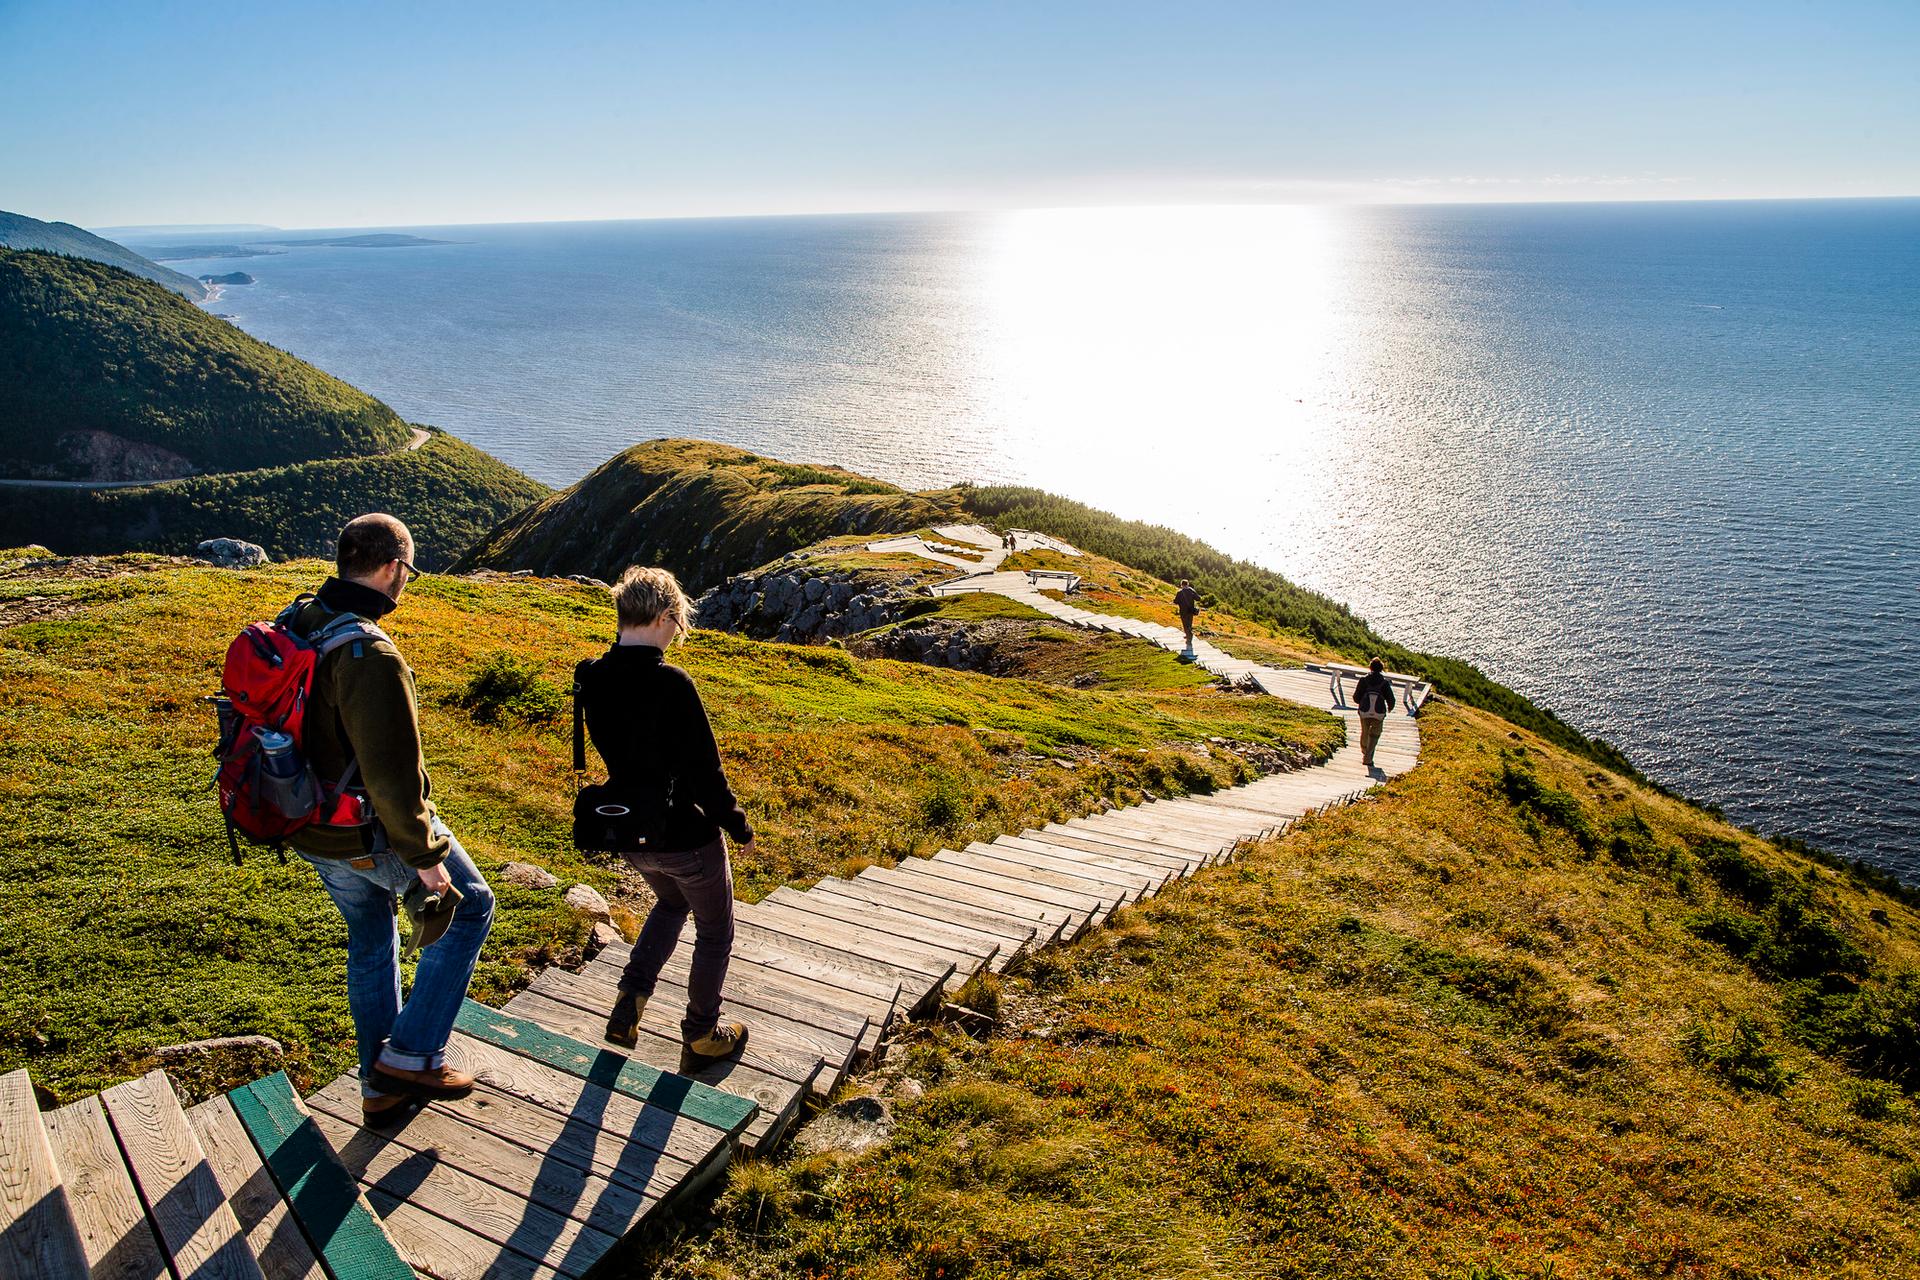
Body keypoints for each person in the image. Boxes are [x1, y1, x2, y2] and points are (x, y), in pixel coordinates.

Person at [286, 514, 495, 1126]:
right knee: (471, 907)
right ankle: (411, 1056)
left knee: (372, 934)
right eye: (409, 571)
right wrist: (427, 860)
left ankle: (379, 1088)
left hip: (310, 822)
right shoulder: (369, 654)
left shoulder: (302, 618)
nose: (406, 581)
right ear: (392, 568)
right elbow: (393, 777)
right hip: (362, 827)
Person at [578, 566, 753, 1072]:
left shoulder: (592, 675)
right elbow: (706, 773)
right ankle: (702, 1035)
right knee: (715, 932)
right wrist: (738, 826)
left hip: (630, 832)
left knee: (672, 902)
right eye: (677, 621)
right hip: (686, 836)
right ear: (663, 617)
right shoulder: (672, 682)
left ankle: (630, 1000)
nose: (678, 631)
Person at [1351, 657, 1397, 768]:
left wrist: (1362, 702)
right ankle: (1368, 758)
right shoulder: (1384, 683)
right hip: (1379, 713)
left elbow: (1356, 698)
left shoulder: (1363, 680)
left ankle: (1364, 750)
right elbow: (1391, 699)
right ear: (1381, 669)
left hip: (1364, 712)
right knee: (1374, 735)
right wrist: (1390, 708)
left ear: (1370, 667)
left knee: (1365, 732)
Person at [1173, 579, 1200, 651]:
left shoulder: (1179, 592)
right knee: (1189, 624)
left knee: (1185, 625)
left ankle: (1189, 639)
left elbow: (1175, 601)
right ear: (1188, 584)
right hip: (1190, 611)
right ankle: (1188, 636)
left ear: (1181, 585)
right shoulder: (1191, 591)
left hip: (1183, 611)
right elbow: (1198, 598)